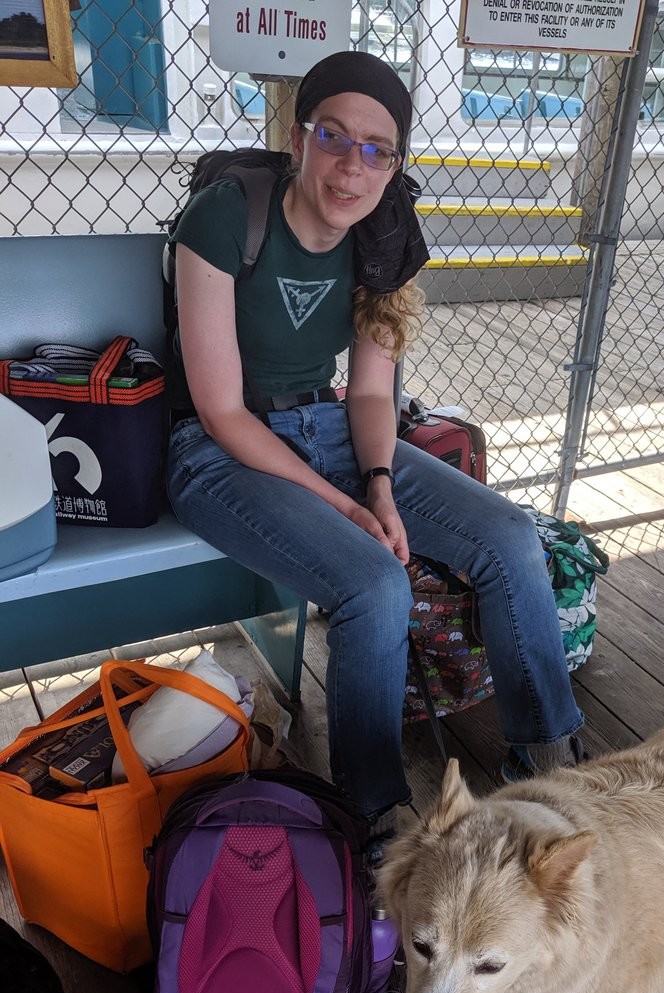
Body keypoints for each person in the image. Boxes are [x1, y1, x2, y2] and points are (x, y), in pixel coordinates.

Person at [166, 50, 585, 853]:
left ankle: (554, 767)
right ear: (300, 138)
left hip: (330, 429)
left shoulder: (385, 234)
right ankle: (374, 824)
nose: (351, 167)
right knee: (375, 586)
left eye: (376, 149)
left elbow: (367, 394)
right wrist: (348, 507)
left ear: (394, 163)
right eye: (334, 137)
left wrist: (382, 484)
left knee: (508, 537)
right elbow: (220, 412)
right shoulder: (225, 215)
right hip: (217, 453)